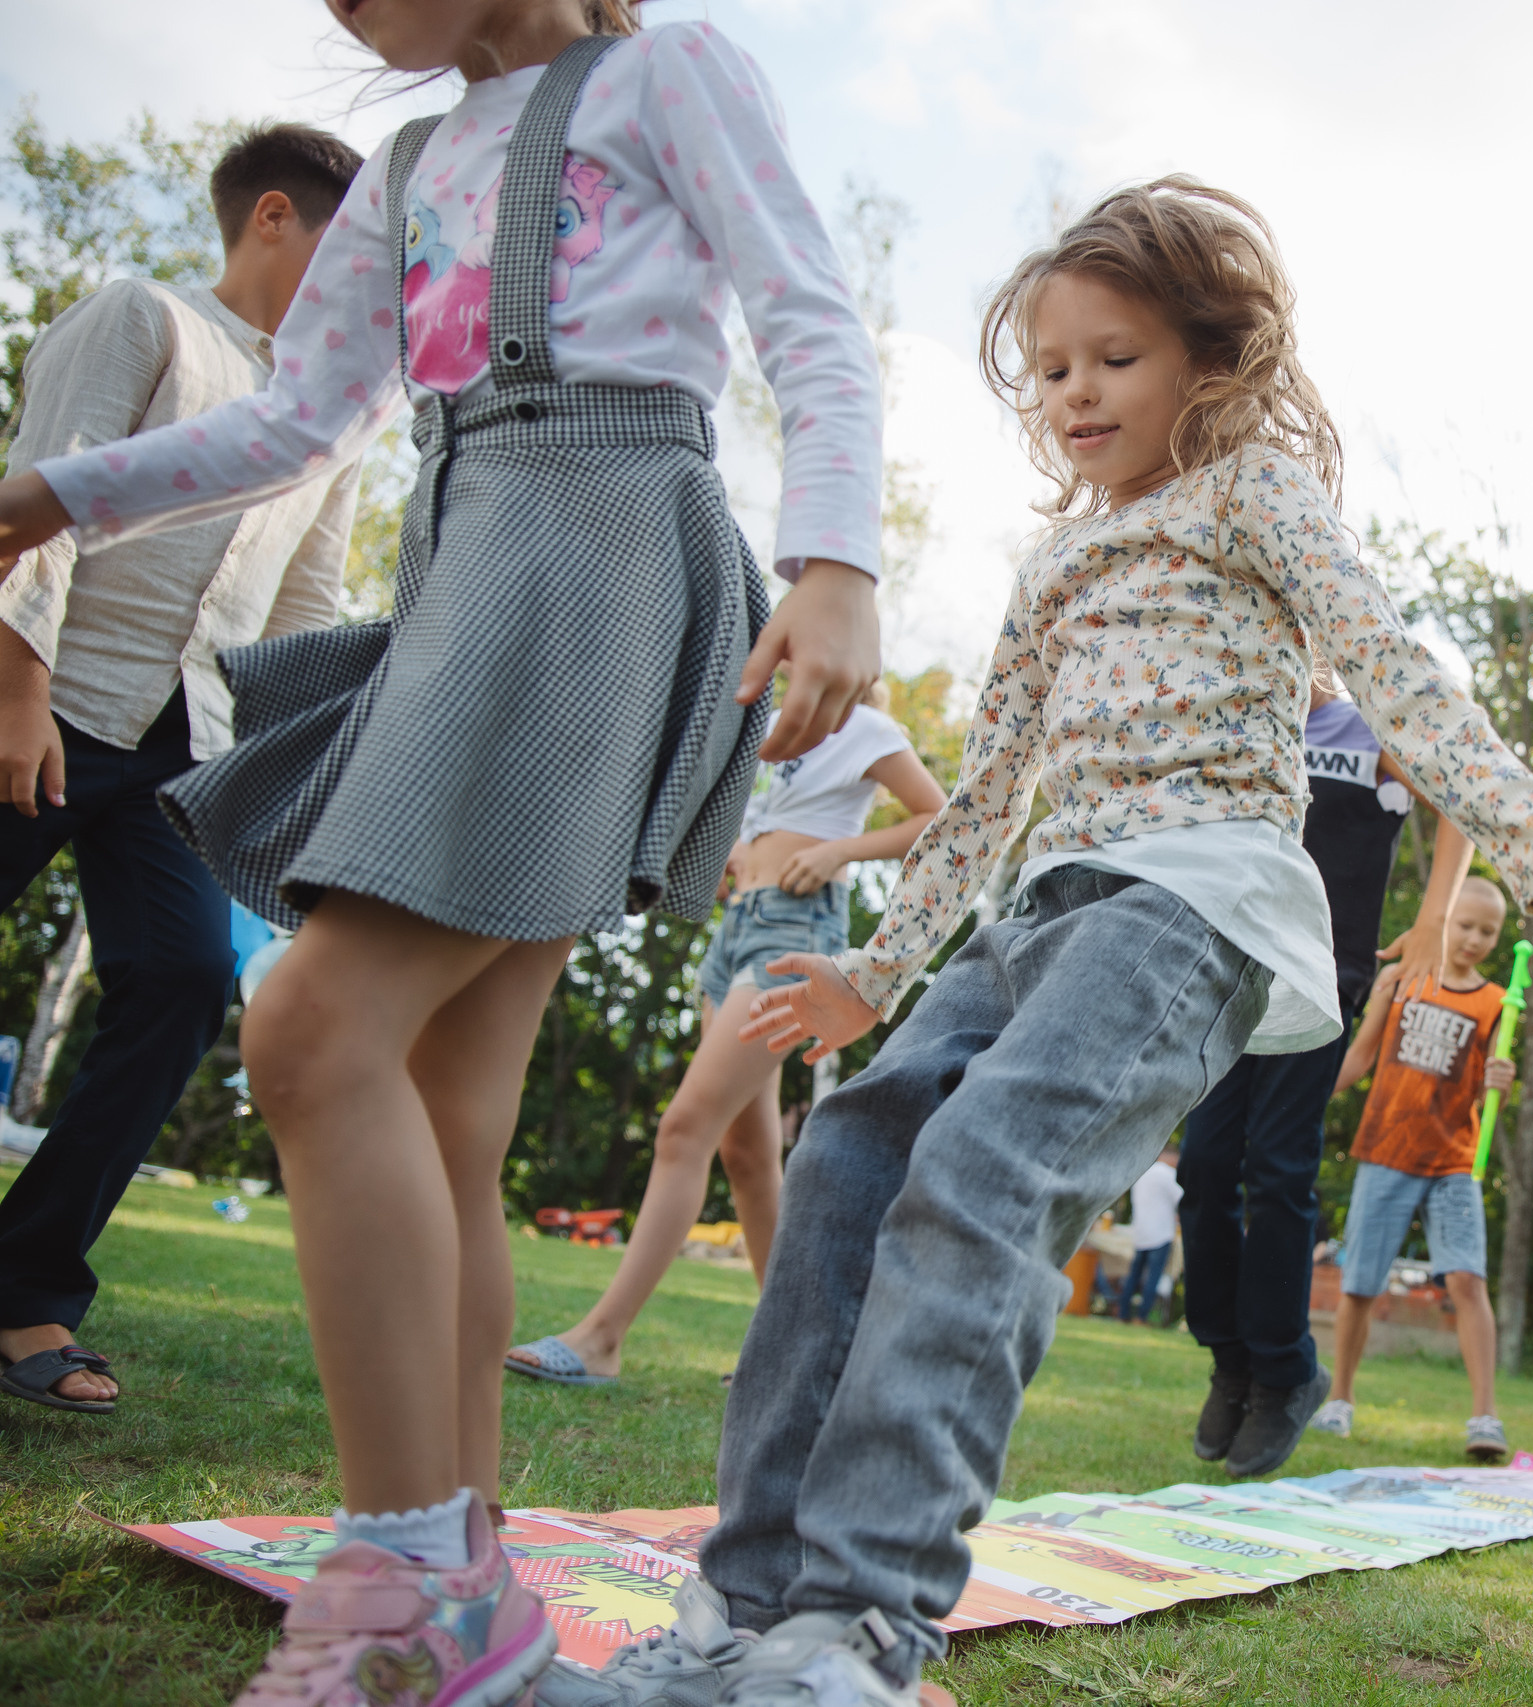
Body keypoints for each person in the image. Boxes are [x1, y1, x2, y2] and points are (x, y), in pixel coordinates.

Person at [547, 177, 1533, 1707]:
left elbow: (1392, 669)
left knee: (983, 1173)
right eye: (1054, 367)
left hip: (1191, 903)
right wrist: (873, 975)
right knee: (843, 1159)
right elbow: (989, 796)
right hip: (1042, 910)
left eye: (1115, 357)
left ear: (1208, 366)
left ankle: (864, 1626)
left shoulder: (1255, 495)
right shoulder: (1052, 567)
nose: (1077, 391)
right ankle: (746, 1606)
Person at [0, 3, 885, 1702]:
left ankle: (405, 1587)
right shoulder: (407, 168)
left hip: (605, 549)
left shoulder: (662, 74)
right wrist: (59, 493)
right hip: (465, 560)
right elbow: (291, 427)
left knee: (314, 1024)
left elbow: (809, 316)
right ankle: (470, 1575)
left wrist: (836, 557)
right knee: (445, 1107)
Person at [0, 122, 366, 1417]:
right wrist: (20, 690)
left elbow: (307, 607)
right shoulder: (142, 317)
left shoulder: (327, 418)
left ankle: (26, 1284)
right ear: (274, 218)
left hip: (182, 751)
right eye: (349, 248)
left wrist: (302, 788)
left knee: (180, 977)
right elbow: (39, 498)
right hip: (45, 699)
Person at [507, 687, 944, 1386]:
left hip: (793, 933)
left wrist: (840, 852)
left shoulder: (866, 727)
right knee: (745, 1151)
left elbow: (939, 816)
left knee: (685, 1128)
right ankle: (787, 1353)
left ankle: (601, 1337)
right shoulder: (768, 729)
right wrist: (734, 855)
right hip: (736, 930)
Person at [1180, 683, 1477, 1476]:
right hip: (1227, 966)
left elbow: (1457, 796)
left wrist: (1436, 917)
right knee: (1206, 1164)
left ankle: (1284, 1372)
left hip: (1319, 975)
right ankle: (1229, 1359)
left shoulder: (1367, 724)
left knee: (1277, 1168)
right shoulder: (1241, 713)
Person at [1308, 876, 1517, 1462]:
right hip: (1386, 1151)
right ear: (1443, 921)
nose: (1474, 939)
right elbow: (1361, 1052)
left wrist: (1502, 1077)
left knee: (1468, 1281)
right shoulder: (1402, 978)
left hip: (1453, 1162)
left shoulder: (1498, 1002)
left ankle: (1485, 1416)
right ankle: (1340, 1400)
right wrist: (1309, 1100)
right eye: (1465, 925)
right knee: (1360, 1283)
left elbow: (1489, 1080)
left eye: (1487, 931)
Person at [1113, 1146, 1180, 1325]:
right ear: (1171, 1157)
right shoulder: (1168, 1174)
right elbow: (1182, 1200)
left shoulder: (1142, 1174)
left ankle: (1123, 1313)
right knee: (1153, 1277)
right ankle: (1141, 1317)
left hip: (1141, 1232)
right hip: (1161, 1233)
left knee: (1134, 1275)